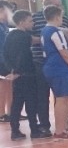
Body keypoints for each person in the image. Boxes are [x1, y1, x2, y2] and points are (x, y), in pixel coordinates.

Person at [30, 0, 68, 136]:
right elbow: (63, 50)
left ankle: (63, 125)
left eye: (60, 5)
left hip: (54, 64)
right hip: (48, 63)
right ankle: (52, 128)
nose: (59, 8)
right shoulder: (47, 26)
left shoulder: (56, 25)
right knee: (50, 96)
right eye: (56, 6)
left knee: (62, 96)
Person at [4, 10, 48, 139]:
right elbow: (22, 56)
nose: (33, 23)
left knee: (17, 103)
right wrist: (19, 71)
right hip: (26, 74)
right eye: (30, 21)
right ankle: (34, 130)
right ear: (22, 22)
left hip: (16, 74)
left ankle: (15, 131)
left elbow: (5, 54)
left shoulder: (10, 35)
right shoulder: (23, 37)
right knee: (31, 103)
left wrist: (12, 70)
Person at [40, 4, 68, 139]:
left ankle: (64, 128)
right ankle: (60, 130)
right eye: (61, 17)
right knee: (62, 99)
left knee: (64, 98)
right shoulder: (55, 32)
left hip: (51, 67)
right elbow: (63, 51)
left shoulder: (44, 30)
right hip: (58, 67)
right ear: (57, 17)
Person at [0, 0, 13, 123]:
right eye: (8, 11)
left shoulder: (4, 25)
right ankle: (1, 113)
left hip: (6, 59)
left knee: (9, 85)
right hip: (1, 60)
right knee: (2, 86)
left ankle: (11, 112)